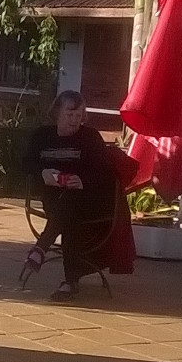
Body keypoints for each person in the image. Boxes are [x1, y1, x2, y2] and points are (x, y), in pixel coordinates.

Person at [21, 90, 118, 300]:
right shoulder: (42, 136)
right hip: (53, 199)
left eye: (78, 115)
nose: (74, 120)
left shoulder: (90, 138)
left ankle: (41, 247)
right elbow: (26, 163)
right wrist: (42, 173)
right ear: (57, 113)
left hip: (87, 200)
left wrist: (83, 181)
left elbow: (105, 172)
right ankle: (70, 282)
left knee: (71, 203)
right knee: (67, 214)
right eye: (69, 115)